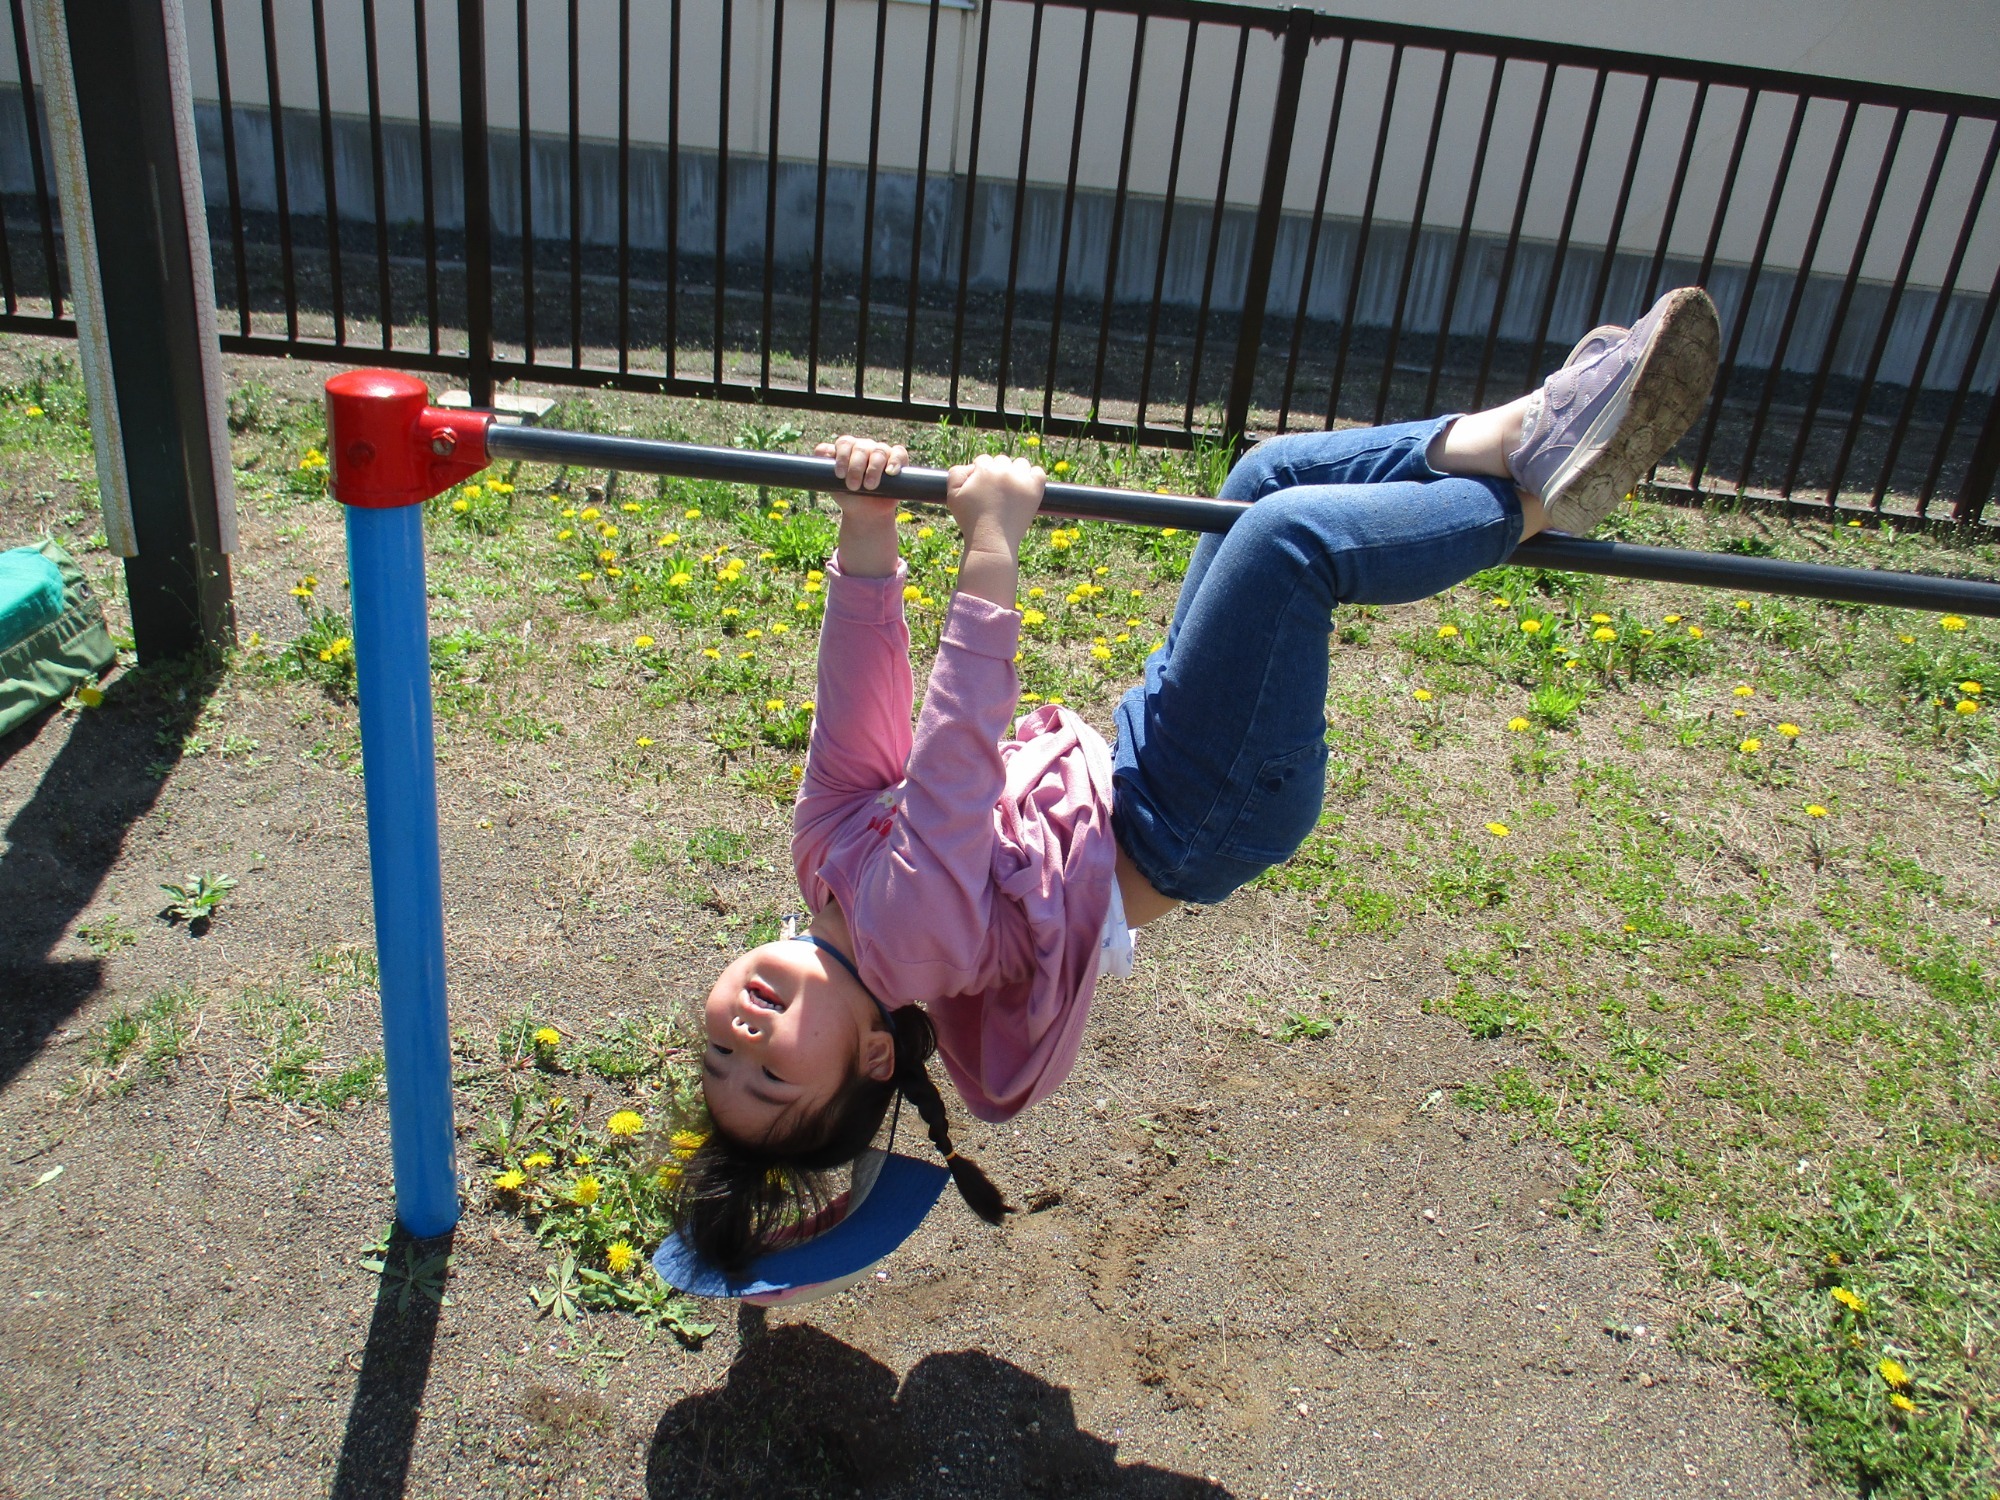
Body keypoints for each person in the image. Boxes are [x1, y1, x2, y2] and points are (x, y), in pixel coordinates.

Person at [674, 286, 1721, 1272]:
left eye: (719, 1054)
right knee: (1286, 544)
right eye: (771, 1075)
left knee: (1254, 485)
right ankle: (1536, 502)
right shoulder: (904, 945)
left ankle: (1529, 430)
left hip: (1144, 763)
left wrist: (866, 529)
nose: (743, 1038)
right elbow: (951, 758)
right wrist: (989, 549)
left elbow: (855, 714)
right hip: (1191, 812)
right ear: (866, 1059)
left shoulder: (823, 866)